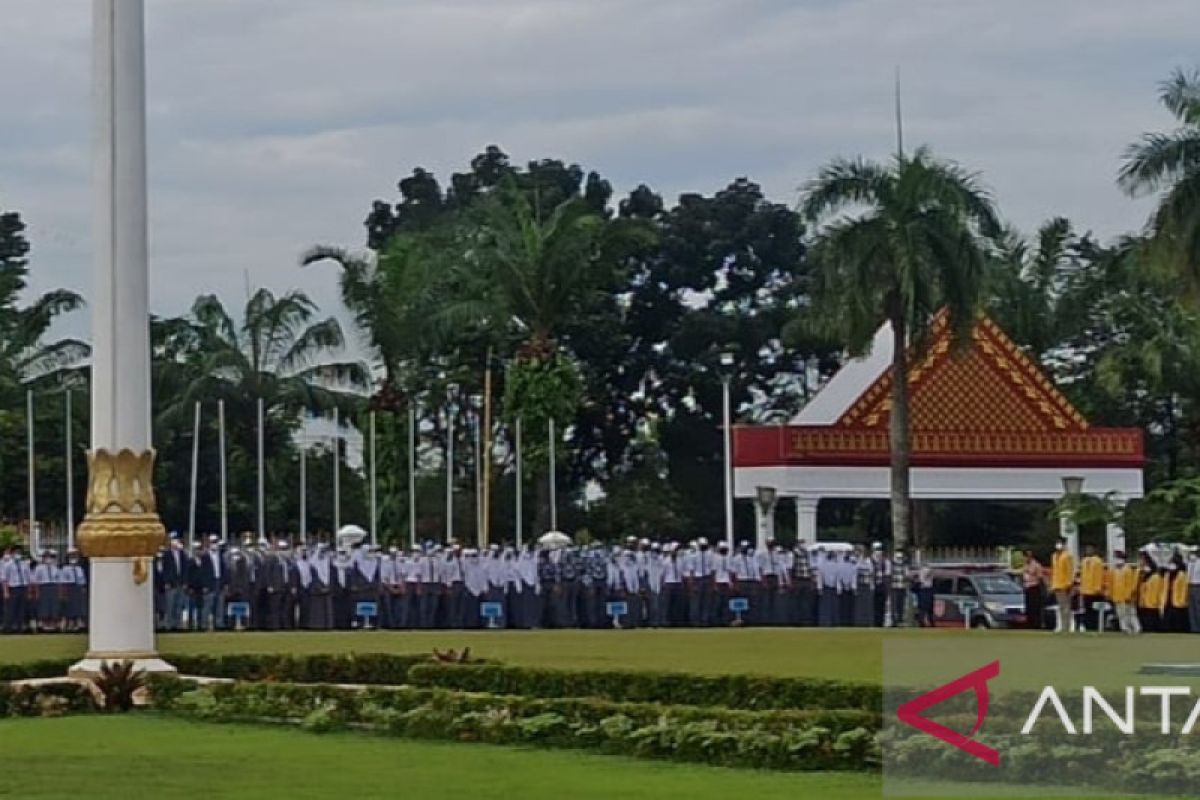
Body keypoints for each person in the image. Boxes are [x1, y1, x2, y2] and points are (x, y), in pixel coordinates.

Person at [1109, 550, 1141, 635]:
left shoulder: (1127, 570)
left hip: (1127, 596)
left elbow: (1130, 585)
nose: (1117, 560)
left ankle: (1136, 628)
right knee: (1121, 614)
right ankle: (1125, 629)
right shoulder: (1114, 570)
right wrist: (1111, 595)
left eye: (1118, 558)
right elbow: (1111, 583)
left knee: (1131, 613)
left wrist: (1128, 595)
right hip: (1117, 596)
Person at [59, 549, 88, 633]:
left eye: (75, 556)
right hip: (69, 587)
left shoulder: (79, 568)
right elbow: (63, 580)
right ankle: (70, 625)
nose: (73, 558)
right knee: (70, 607)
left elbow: (82, 580)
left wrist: (83, 588)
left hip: (78, 588)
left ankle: (78, 624)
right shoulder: (65, 568)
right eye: (72, 556)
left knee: (79, 606)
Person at [1050, 538, 1075, 633]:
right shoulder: (1054, 556)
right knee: (1061, 607)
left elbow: (1070, 571)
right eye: (1057, 543)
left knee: (1066, 607)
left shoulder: (1067, 556)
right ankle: (1062, 625)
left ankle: (1067, 627)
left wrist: (1069, 584)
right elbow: (1054, 571)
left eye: (1060, 543)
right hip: (1057, 584)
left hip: (1065, 585)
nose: (1058, 545)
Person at [31, 550, 60, 633]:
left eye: (49, 557)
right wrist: (37, 592)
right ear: (43, 558)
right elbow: (35, 581)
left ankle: (53, 625)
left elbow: (58, 580)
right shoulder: (39, 568)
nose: (48, 559)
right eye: (46, 557)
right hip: (43, 587)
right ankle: (44, 625)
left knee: (53, 606)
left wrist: (58, 591)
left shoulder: (55, 567)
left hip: (53, 587)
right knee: (44, 607)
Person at [1079, 545, 1106, 631]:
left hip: (1095, 590)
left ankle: (1096, 626)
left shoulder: (1098, 561)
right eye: (1087, 549)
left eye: (1090, 549)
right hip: (1086, 590)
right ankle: (1088, 626)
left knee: (1095, 610)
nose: (1088, 551)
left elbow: (1099, 575)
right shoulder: (1084, 561)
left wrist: (1098, 588)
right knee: (1087, 610)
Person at [1136, 553, 1163, 633]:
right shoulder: (1142, 575)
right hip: (1144, 602)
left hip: (1152, 603)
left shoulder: (1155, 576)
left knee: (1152, 619)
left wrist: (1155, 601)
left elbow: (1157, 591)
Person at [1021, 550, 1046, 630]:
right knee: (1028, 607)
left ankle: (1036, 625)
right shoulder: (1025, 565)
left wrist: (1043, 589)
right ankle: (1029, 624)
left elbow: (1040, 577)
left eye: (1027, 556)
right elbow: (1023, 574)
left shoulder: (1036, 565)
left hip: (1034, 588)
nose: (1026, 558)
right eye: (1025, 557)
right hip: (1027, 587)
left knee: (1035, 607)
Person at [1165, 555, 1190, 633]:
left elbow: (1184, 589)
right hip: (1169, 599)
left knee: (1179, 618)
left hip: (1178, 601)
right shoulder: (1168, 574)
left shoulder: (1181, 575)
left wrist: (1182, 601)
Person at [1188, 548, 1200, 634]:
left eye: (1194, 552)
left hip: (1198, 585)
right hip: (1189, 585)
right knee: (1191, 609)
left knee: (1198, 607)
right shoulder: (1189, 563)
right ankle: (1194, 628)